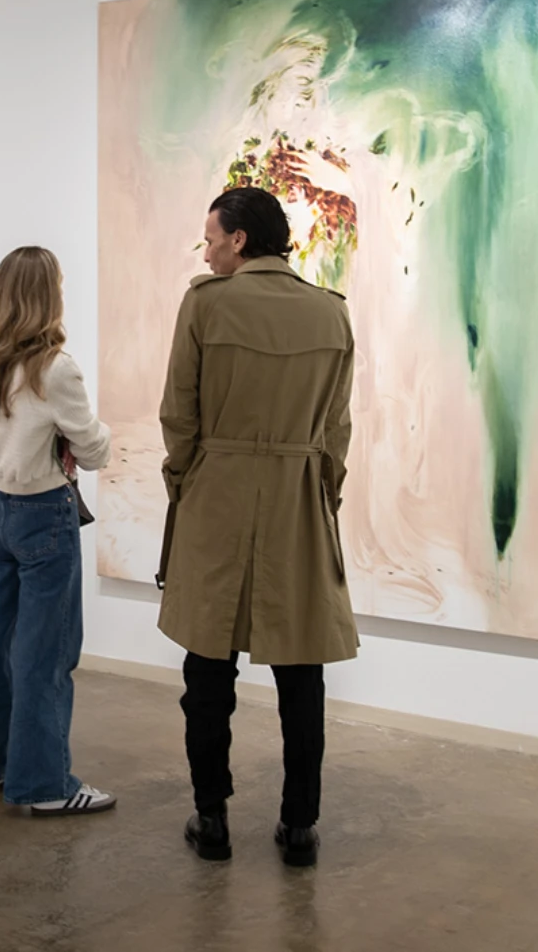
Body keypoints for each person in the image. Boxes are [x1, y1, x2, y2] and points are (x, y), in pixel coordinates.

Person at [157, 187, 358, 866]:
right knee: (302, 673)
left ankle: (210, 817)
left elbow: (178, 413)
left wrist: (184, 481)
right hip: (298, 499)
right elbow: (336, 431)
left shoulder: (206, 305)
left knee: (208, 666)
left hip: (218, 493)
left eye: (211, 236)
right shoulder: (330, 315)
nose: (206, 248)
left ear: (240, 239)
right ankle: (299, 825)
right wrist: (318, 492)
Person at [0, 245, 115, 816]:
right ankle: (45, 785)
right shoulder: (54, 367)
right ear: (49, 294)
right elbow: (94, 450)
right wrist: (89, 438)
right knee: (45, 655)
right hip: (44, 514)